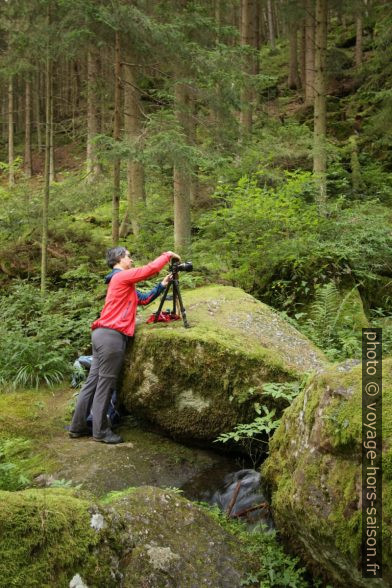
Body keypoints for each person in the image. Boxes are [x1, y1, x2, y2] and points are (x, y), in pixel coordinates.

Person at [68, 247, 180, 444]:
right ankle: (100, 431)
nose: (132, 259)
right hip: (112, 337)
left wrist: (162, 285)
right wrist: (168, 255)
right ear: (119, 258)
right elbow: (149, 269)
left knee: (92, 383)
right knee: (105, 385)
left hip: (101, 334)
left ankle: (77, 427)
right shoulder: (121, 277)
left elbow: (143, 299)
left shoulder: (121, 283)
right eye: (129, 256)